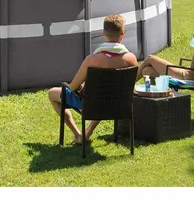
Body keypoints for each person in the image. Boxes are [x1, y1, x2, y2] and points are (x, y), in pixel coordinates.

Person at [47, 14, 138, 144]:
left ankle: (78, 134)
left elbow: (72, 87)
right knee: (105, 93)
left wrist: (79, 87)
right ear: (122, 34)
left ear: (103, 33)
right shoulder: (131, 59)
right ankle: (87, 133)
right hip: (119, 104)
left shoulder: (92, 60)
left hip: (91, 104)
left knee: (52, 93)